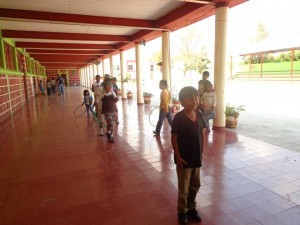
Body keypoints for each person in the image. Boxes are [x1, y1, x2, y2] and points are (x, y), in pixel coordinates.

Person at [171, 86, 205, 225]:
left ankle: (191, 208)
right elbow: (174, 138)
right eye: (190, 98)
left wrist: (201, 151)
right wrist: (178, 157)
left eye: (196, 98)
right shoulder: (179, 117)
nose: (194, 101)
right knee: (184, 188)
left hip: (196, 157)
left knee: (195, 185)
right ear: (182, 101)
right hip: (184, 159)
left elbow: (201, 132)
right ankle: (182, 211)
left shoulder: (199, 114)